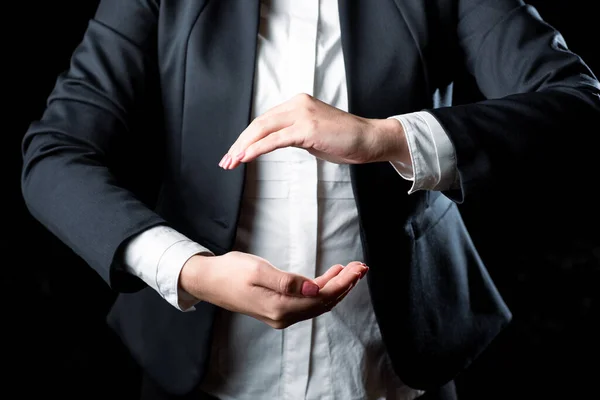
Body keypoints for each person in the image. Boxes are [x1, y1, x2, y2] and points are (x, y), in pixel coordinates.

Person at [21, 0, 599, 399]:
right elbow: (54, 153)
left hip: (396, 370)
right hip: (198, 371)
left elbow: (576, 103)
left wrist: (386, 138)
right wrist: (186, 269)